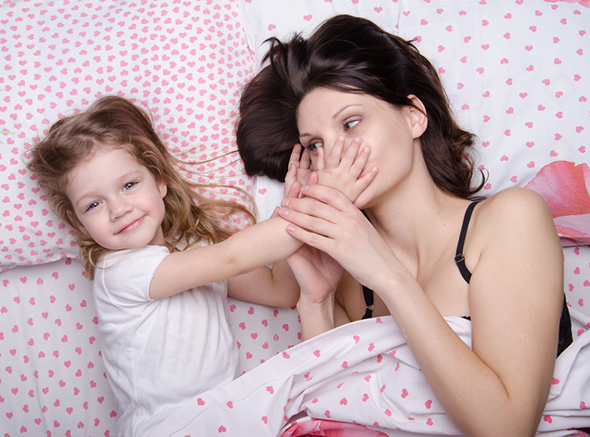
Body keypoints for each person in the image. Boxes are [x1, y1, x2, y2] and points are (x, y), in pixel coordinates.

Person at [237, 14, 572, 437]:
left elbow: (506, 427)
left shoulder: (511, 220)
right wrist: (315, 303)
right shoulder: (346, 276)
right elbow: (333, 412)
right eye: (316, 144)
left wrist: (388, 274)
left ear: (414, 116)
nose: (335, 154)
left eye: (351, 122)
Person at [27, 95, 373, 436]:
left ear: (159, 180)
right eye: (94, 205)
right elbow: (232, 257)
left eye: (129, 185)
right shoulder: (120, 273)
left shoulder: (194, 252)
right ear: (79, 223)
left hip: (221, 417)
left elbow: (279, 290)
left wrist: (292, 201)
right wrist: (324, 198)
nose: (118, 209)